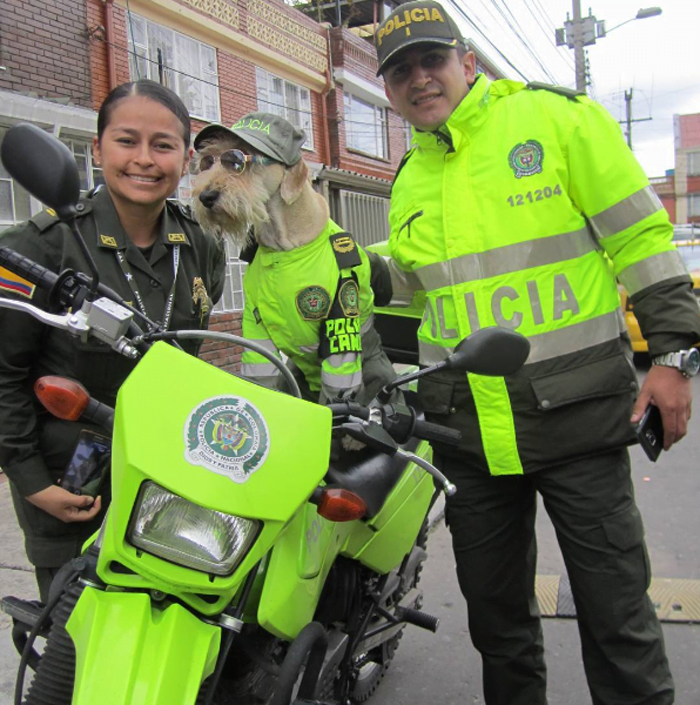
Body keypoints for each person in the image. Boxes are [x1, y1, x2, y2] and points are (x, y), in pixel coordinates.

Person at [372, 2, 700, 703]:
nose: (419, 79)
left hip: (577, 420)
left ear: (467, 62)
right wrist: (328, 260)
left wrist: (674, 359)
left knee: (618, 616)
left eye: (432, 60)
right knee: (499, 626)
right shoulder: (408, 178)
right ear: (390, 90)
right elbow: (411, 288)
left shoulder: (556, 121)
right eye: (400, 71)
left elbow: (640, 239)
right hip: (469, 437)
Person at [0, 79, 225, 603]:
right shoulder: (42, 244)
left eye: (163, 145)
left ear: (186, 158)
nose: (144, 159)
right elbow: (5, 376)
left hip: (166, 478)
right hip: (71, 478)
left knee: (167, 625)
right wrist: (32, 481)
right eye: (127, 141)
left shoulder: (199, 243)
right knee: (71, 637)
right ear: (97, 149)